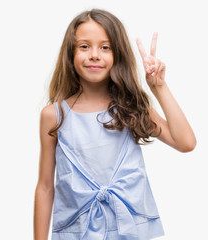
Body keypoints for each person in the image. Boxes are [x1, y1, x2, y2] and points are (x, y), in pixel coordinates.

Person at [33, 9, 196, 240]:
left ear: (117, 54)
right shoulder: (54, 115)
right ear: (70, 54)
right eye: (84, 46)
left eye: (105, 47)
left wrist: (158, 87)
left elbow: (186, 143)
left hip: (130, 231)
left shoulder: (131, 107)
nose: (94, 55)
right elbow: (45, 186)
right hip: (77, 232)